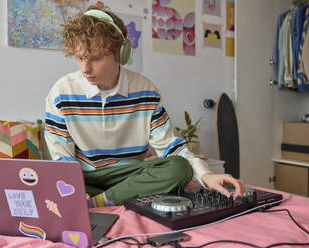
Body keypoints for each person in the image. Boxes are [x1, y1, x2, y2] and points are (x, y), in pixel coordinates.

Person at [45, 5, 244, 208]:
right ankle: (112, 197)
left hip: (131, 176)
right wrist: (74, 189)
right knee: (45, 180)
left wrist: (206, 175)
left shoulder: (145, 90)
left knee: (179, 168)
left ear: (119, 53)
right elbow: (62, 156)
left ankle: (100, 202)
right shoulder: (61, 93)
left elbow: (170, 146)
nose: (85, 68)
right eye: (80, 58)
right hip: (86, 178)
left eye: (96, 58)